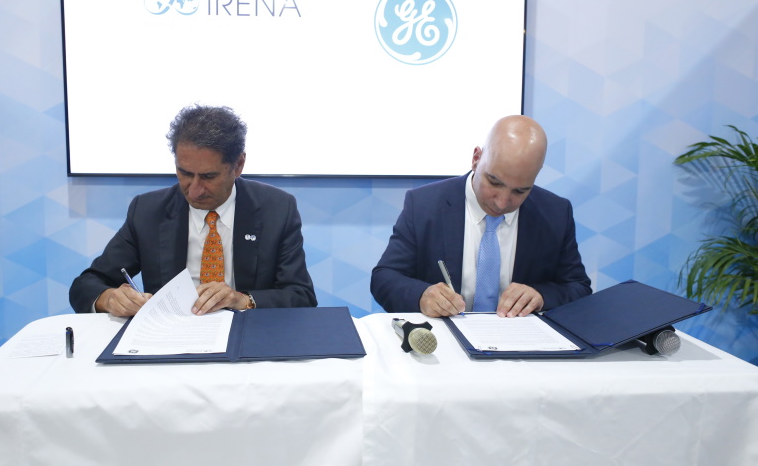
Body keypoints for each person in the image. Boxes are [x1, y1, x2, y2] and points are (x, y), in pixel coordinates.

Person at [69, 104, 317, 316]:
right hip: (169, 337)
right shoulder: (147, 211)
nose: (195, 190)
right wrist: (109, 298)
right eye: (185, 173)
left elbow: (301, 296)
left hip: (247, 336)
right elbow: (86, 285)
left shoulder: (277, 209)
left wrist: (243, 300)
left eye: (208, 177)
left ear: (239, 165)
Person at [371, 115, 591, 318]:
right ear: (476, 158)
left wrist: (541, 296)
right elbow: (384, 278)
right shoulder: (424, 204)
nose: (502, 202)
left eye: (520, 191)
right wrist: (422, 296)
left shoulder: (555, 213)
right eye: (494, 182)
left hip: (520, 341)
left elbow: (578, 287)